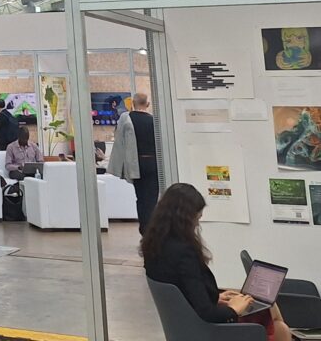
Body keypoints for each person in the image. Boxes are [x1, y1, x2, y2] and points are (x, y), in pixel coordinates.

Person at [143, 183, 290, 341]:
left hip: (184, 326)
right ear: (184, 219)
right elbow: (207, 313)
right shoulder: (184, 254)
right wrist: (234, 309)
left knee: (270, 312)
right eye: (196, 218)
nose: (197, 224)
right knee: (277, 324)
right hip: (205, 330)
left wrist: (214, 296)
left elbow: (184, 290)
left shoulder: (155, 246)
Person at [108, 91, 159, 233]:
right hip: (153, 164)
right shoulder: (154, 121)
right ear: (148, 104)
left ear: (132, 104)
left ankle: (144, 228)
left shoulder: (126, 119)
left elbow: (119, 141)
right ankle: (150, 229)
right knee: (151, 199)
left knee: (140, 197)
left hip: (136, 164)